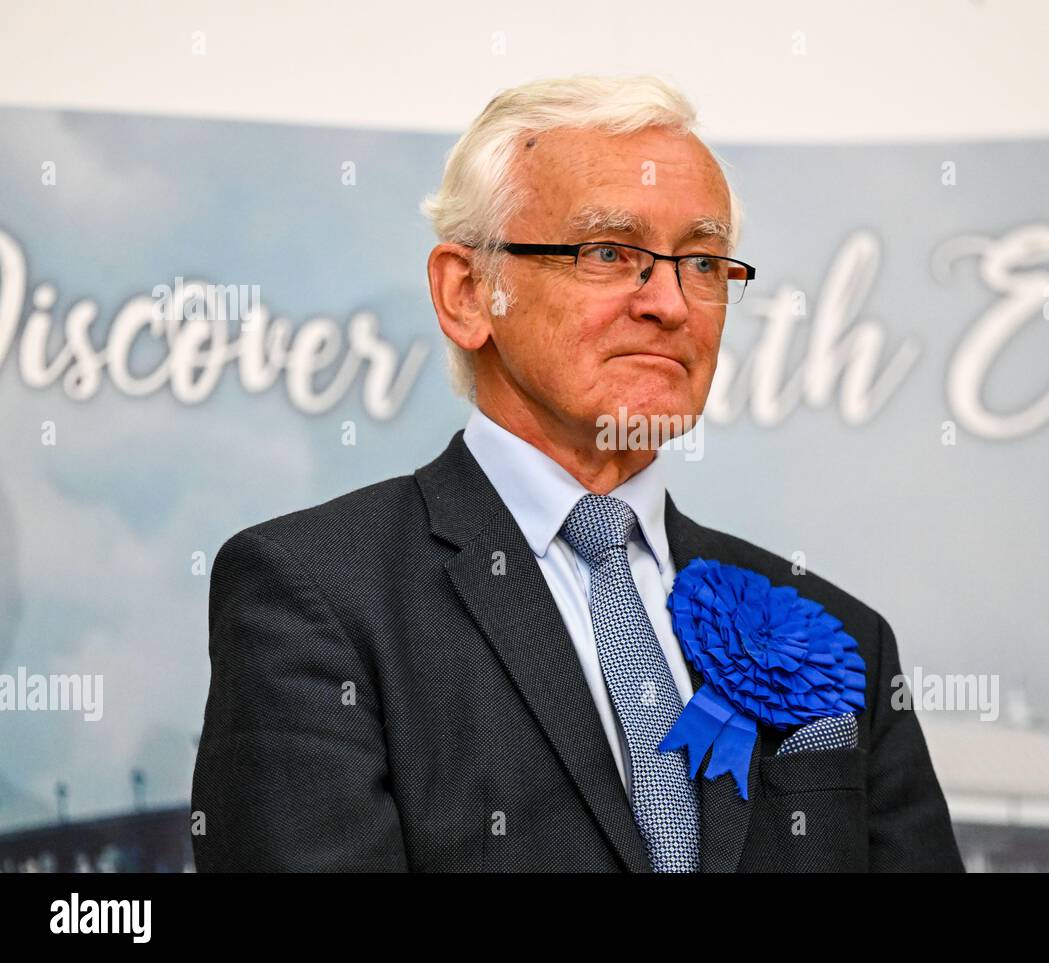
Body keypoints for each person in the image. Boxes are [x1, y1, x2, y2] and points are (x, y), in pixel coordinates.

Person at [191, 74, 963, 873]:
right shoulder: (315, 596)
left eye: (703, 261)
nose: (670, 301)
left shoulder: (843, 638)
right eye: (609, 252)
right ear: (467, 294)